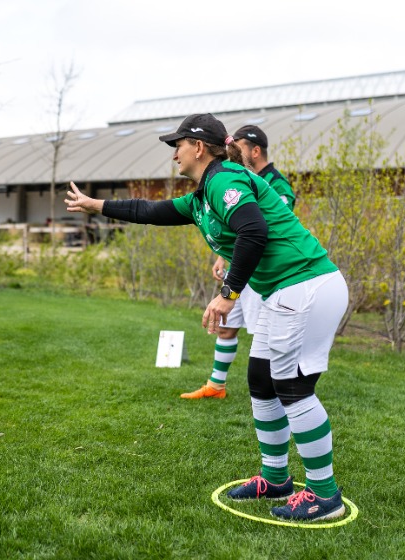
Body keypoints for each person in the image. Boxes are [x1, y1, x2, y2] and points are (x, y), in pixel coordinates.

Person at [65, 113, 349, 521]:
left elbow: (254, 232)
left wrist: (227, 296)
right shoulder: (203, 195)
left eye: (176, 145)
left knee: (293, 387)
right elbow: (152, 210)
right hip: (283, 290)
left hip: (304, 286)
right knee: (260, 380)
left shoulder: (224, 180)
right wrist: (97, 205)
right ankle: (276, 478)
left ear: (198, 147)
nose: (174, 153)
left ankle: (325, 496)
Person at [181, 124, 296, 400]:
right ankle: (216, 385)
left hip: (263, 272)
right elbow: (237, 224)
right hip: (240, 270)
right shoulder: (233, 178)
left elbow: (259, 228)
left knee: (263, 333)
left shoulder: (276, 184)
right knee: (225, 325)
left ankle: (273, 390)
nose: (231, 151)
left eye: (239, 146)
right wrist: (223, 255)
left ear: (255, 151)